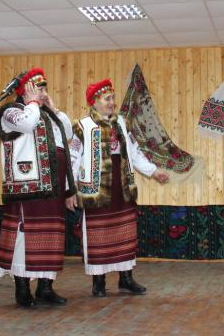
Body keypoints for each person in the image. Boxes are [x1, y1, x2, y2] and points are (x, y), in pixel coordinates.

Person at [69, 79, 170, 297]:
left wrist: (153, 171)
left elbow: (134, 152)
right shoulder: (82, 126)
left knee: (125, 233)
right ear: (95, 102)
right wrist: (70, 190)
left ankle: (126, 278)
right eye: (107, 99)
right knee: (98, 235)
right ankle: (98, 282)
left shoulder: (122, 123)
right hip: (96, 190)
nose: (112, 102)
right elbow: (73, 158)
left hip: (121, 187)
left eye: (113, 98)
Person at [0, 67, 78, 308]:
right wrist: (32, 103)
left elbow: (68, 133)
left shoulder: (47, 114)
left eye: (44, 88)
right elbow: (28, 124)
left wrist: (53, 108)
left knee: (50, 236)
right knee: (25, 238)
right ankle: (22, 288)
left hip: (52, 187)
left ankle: (45, 288)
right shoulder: (11, 112)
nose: (42, 92)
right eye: (37, 88)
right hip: (27, 187)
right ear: (24, 91)